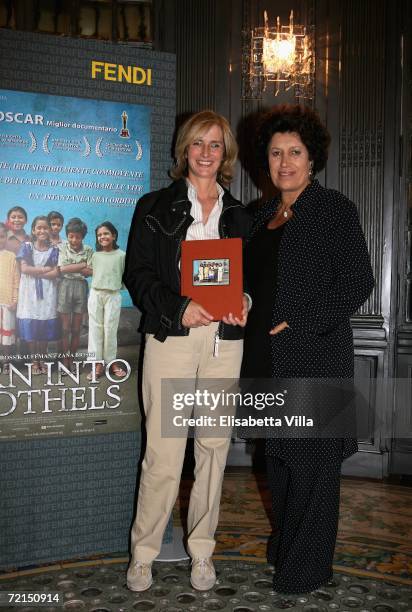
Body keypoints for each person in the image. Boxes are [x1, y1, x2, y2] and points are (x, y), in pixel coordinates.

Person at [242, 105, 374, 594]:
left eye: (294, 152)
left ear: (312, 158)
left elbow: (358, 280)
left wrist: (302, 321)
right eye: (276, 153)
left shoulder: (334, 208)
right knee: (278, 459)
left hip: (315, 355)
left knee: (314, 467)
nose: (284, 162)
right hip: (266, 360)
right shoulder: (258, 216)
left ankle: (306, 568)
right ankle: (286, 549)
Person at [124, 110, 252, 593]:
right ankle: (144, 555)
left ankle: (202, 553)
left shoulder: (240, 214)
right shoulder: (154, 206)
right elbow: (137, 276)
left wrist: (244, 301)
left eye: (215, 145)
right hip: (172, 339)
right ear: (184, 149)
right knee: (163, 452)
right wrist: (180, 308)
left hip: (224, 344)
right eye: (198, 144)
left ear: (225, 154)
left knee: (215, 449)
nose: (205, 153)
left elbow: (249, 282)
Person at [16, 216, 60, 375]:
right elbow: (25, 269)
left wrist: (40, 271)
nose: (42, 231)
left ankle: (42, 359)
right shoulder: (26, 247)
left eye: (45, 228)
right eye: (38, 228)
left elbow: (56, 272)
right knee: (31, 326)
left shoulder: (54, 250)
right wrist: (43, 270)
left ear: (50, 230)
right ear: (33, 230)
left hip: (48, 291)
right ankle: (34, 361)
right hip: (29, 292)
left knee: (44, 325)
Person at [87, 221, 126, 380]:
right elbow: (89, 271)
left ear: (114, 235)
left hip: (113, 295)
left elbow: (125, 275)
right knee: (95, 329)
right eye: (99, 235)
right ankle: (97, 364)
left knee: (110, 330)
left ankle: (111, 362)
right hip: (96, 294)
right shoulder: (95, 255)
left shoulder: (122, 255)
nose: (102, 237)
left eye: (106, 233)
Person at [57, 217, 93, 371]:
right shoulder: (62, 247)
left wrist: (74, 267)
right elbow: (62, 269)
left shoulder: (89, 250)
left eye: (77, 237)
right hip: (65, 286)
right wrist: (82, 264)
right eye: (71, 236)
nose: (73, 240)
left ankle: (72, 358)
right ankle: (64, 359)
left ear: (82, 237)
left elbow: (91, 271)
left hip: (81, 287)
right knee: (65, 328)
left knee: (76, 329)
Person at [0, 222, 19, 374]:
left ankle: (7, 361)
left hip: (7, 302)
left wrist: (14, 299)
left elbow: (16, 279)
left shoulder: (11, 257)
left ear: (6, 238)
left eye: (1, 237)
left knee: (7, 334)